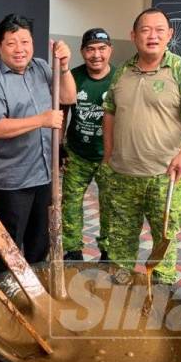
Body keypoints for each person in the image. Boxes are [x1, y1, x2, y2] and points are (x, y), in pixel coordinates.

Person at [101, 7, 181, 285]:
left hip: (165, 176)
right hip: (123, 176)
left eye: (159, 30)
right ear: (133, 35)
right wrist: (108, 155)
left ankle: (161, 300)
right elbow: (109, 113)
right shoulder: (122, 71)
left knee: (164, 241)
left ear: (170, 35)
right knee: (120, 241)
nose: (152, 36)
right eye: (145, 30)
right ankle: (119, 298)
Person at [0, 13, 76, 277]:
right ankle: (2, 295)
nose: (19, 49)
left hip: (44, 175)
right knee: (7, 246)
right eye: (11, 43)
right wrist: (41, 120)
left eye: (25, 41)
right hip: (11, 181)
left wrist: (64, 66)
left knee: (39, 242)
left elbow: (68, 96)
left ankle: (35, 291)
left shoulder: (43, 67)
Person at [61, 28, 116, 261]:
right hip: (77, 153)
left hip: (110, 157)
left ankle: (108, 250)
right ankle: (72, 250)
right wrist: (59, 147)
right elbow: (62, 113)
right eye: (91, 49)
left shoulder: (120, 78)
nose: (96, 55)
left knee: (111, 206)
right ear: (82, 52)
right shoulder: (72, 77)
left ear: (110, 50)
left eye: (102, 49)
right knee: (71, 203)